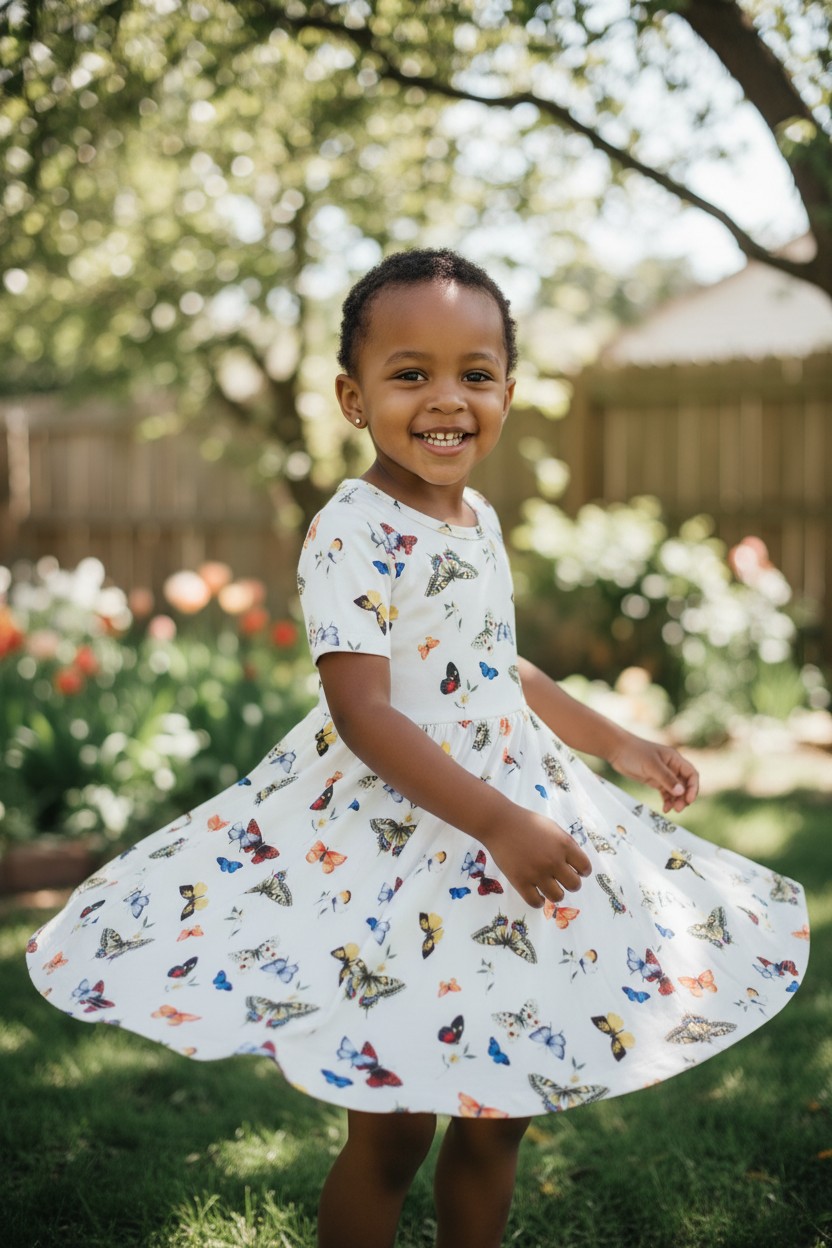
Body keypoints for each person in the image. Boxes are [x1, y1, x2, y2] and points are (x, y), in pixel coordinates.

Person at [27, 249, 810, 1248]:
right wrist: (494, 822)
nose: (447, 400)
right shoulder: (349, 532)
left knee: (497, 1115)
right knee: (393, 1133)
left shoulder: (477, 516)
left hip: (513, 843)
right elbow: (365, 712)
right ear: (354, 398)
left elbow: (493, 669)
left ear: (507, 393)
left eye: (474, 374)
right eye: (411, 374)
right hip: (402, 846)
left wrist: (620, 742)